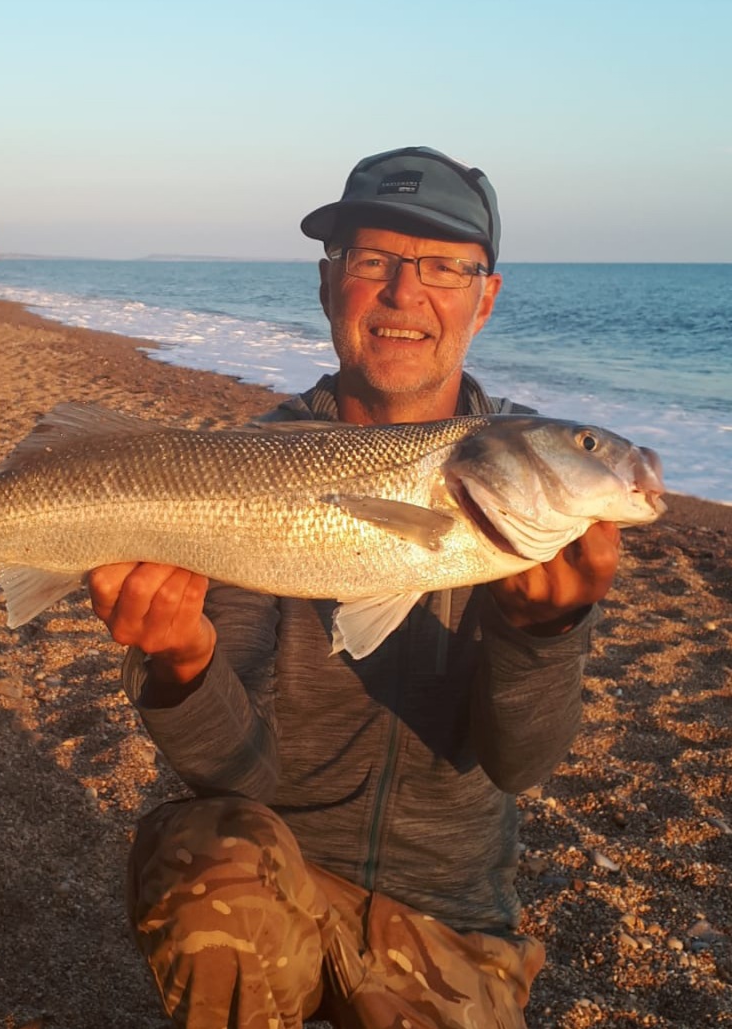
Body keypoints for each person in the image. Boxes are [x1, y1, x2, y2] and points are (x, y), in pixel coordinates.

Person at [87, 147, 621, 1029]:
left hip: (452, 922)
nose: (405, 292)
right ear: (328, 283)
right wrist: (182, 663)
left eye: (444, 267)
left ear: (486, 297)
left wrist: (544, 635)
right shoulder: (246, 467)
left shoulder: (524, 484)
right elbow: (239, 773)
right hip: (277, 878)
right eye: (373, 259)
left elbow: (520, 765)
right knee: (204, 852)